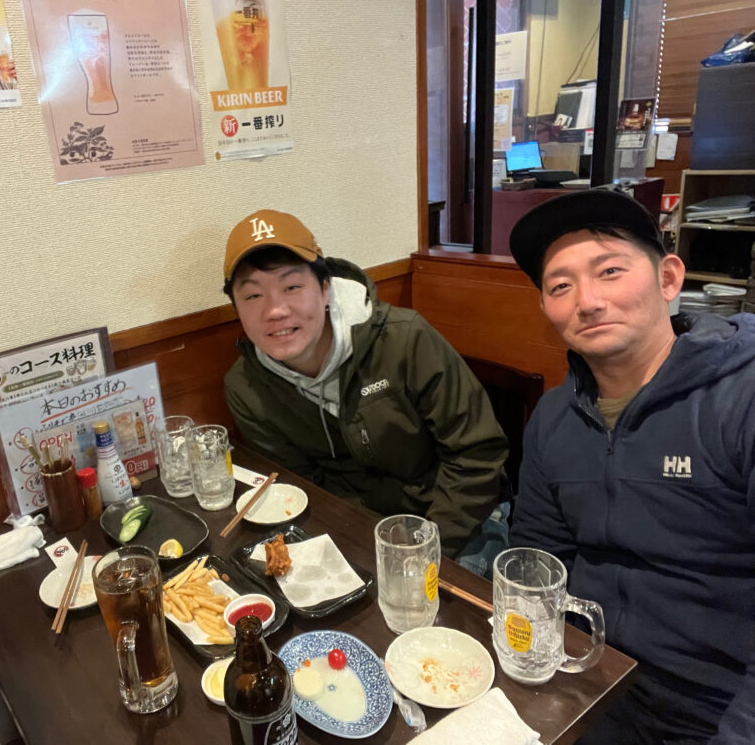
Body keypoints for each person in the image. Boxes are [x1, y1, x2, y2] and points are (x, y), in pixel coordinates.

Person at [508, 188, 755, 744]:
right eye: (561, 286)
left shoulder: (741, 398)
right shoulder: (553, 417)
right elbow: (537, 564)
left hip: (713, 710)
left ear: (668, 279)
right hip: (587, 685)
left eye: (610, 271)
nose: (587, 301)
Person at [222, 209, 509, 557]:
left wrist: (420, 549)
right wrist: (368, 546)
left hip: (456, 522)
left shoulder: (405, 340)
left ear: (325, 289)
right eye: (253, 296)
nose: (275, 310)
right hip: (357, 532)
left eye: (292, 287)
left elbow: (477, 454)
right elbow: (301, 486)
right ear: (236, 308)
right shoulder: (247, 388)